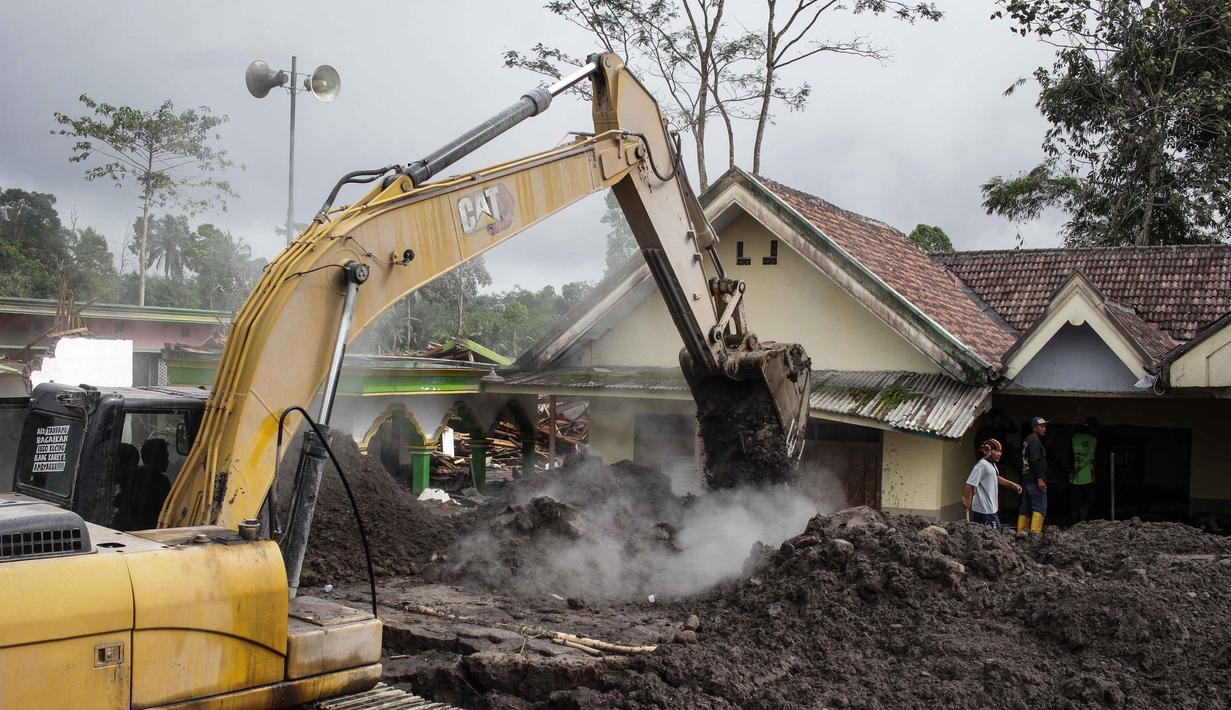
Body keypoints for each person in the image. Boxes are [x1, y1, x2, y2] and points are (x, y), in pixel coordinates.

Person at [963, 438, 1022, 530]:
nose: (999, 454)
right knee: (996, 534)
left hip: (987, 508)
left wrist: (1012, 484)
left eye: (1000, 451)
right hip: (985, 510)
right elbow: (969, 484)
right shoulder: (982, 465)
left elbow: (996, 477)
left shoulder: (992, 464)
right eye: (996, 451)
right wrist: (968, 501)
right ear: (988, 451)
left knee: (981, 534)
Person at [1018, 417, 1049, 533]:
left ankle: (1021, 532)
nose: (1044, 429)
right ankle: (1035, 533)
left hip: (1027, 479)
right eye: (1042, 426)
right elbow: (1035, 460)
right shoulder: (1035, 441)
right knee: (1039, 506)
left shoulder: (1028, 440)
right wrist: (1040, 478)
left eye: (1045, 426)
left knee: (1025, 507)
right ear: (1035, 428)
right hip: (1034, 479)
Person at [1070, 419, 1098, 522]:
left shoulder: (1075, 437)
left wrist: (1075, 468)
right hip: (1086, 471)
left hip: (1074, 471)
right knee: (1089, 496)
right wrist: (1080, 467)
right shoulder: (1093, 439)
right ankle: (1082, 518)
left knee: (1075, 496)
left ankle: (1074, 520)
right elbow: (1089, 455)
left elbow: (1072, 454)